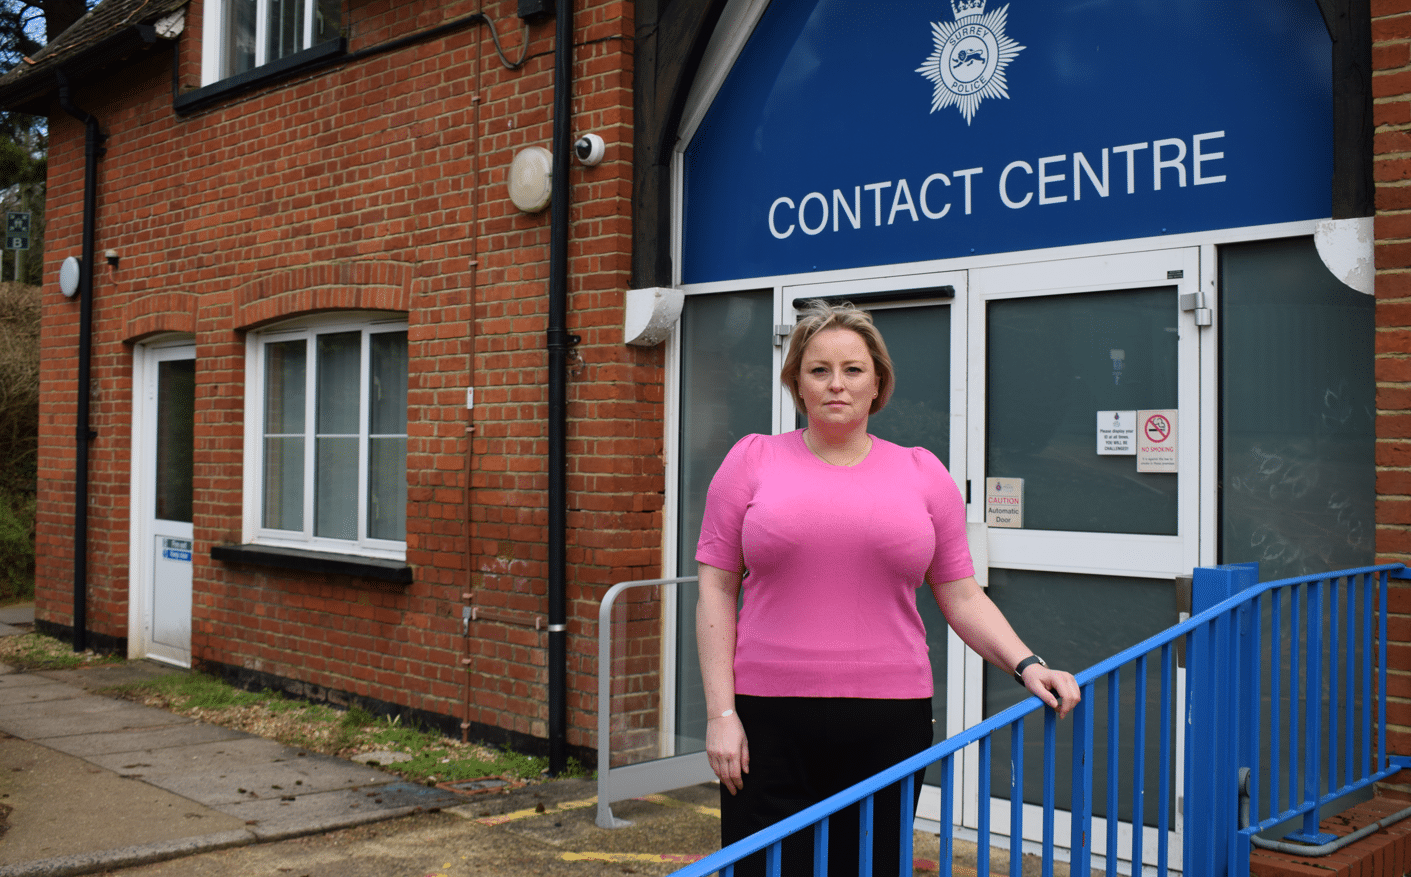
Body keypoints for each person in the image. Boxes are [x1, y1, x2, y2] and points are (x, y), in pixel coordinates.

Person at [695, 300, 1082, 877]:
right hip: (766, 722)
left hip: (889, 721)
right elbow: (716, 592)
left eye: (853, 369)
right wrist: (721, 713)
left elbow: (962, 594)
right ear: (796, 382)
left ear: (878, 382)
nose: (836, 384)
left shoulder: (923, 473)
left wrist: (1029, 665)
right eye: (818, 369)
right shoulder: (751, 460)